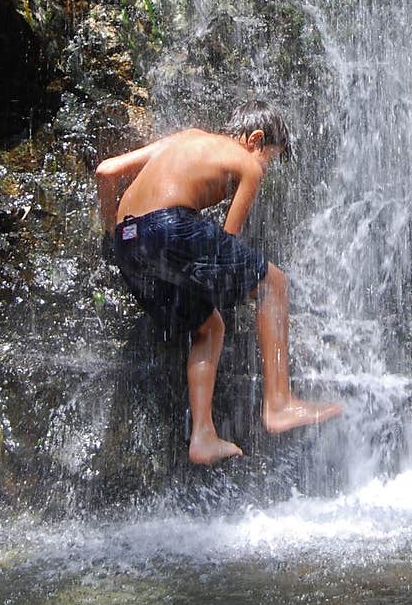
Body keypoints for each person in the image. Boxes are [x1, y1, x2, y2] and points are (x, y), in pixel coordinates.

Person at [96, 100, 342, 465]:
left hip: (129, 242)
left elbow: (106, 170)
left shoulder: (186, 137)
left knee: (209, 327)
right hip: (171, 227)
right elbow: (228, 238)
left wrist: (110, 229)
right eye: (269, 159)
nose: (264, 168)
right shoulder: (246, 163)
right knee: (274, 284)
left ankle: (203, 437)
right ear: (255, 140)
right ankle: (279, 403)